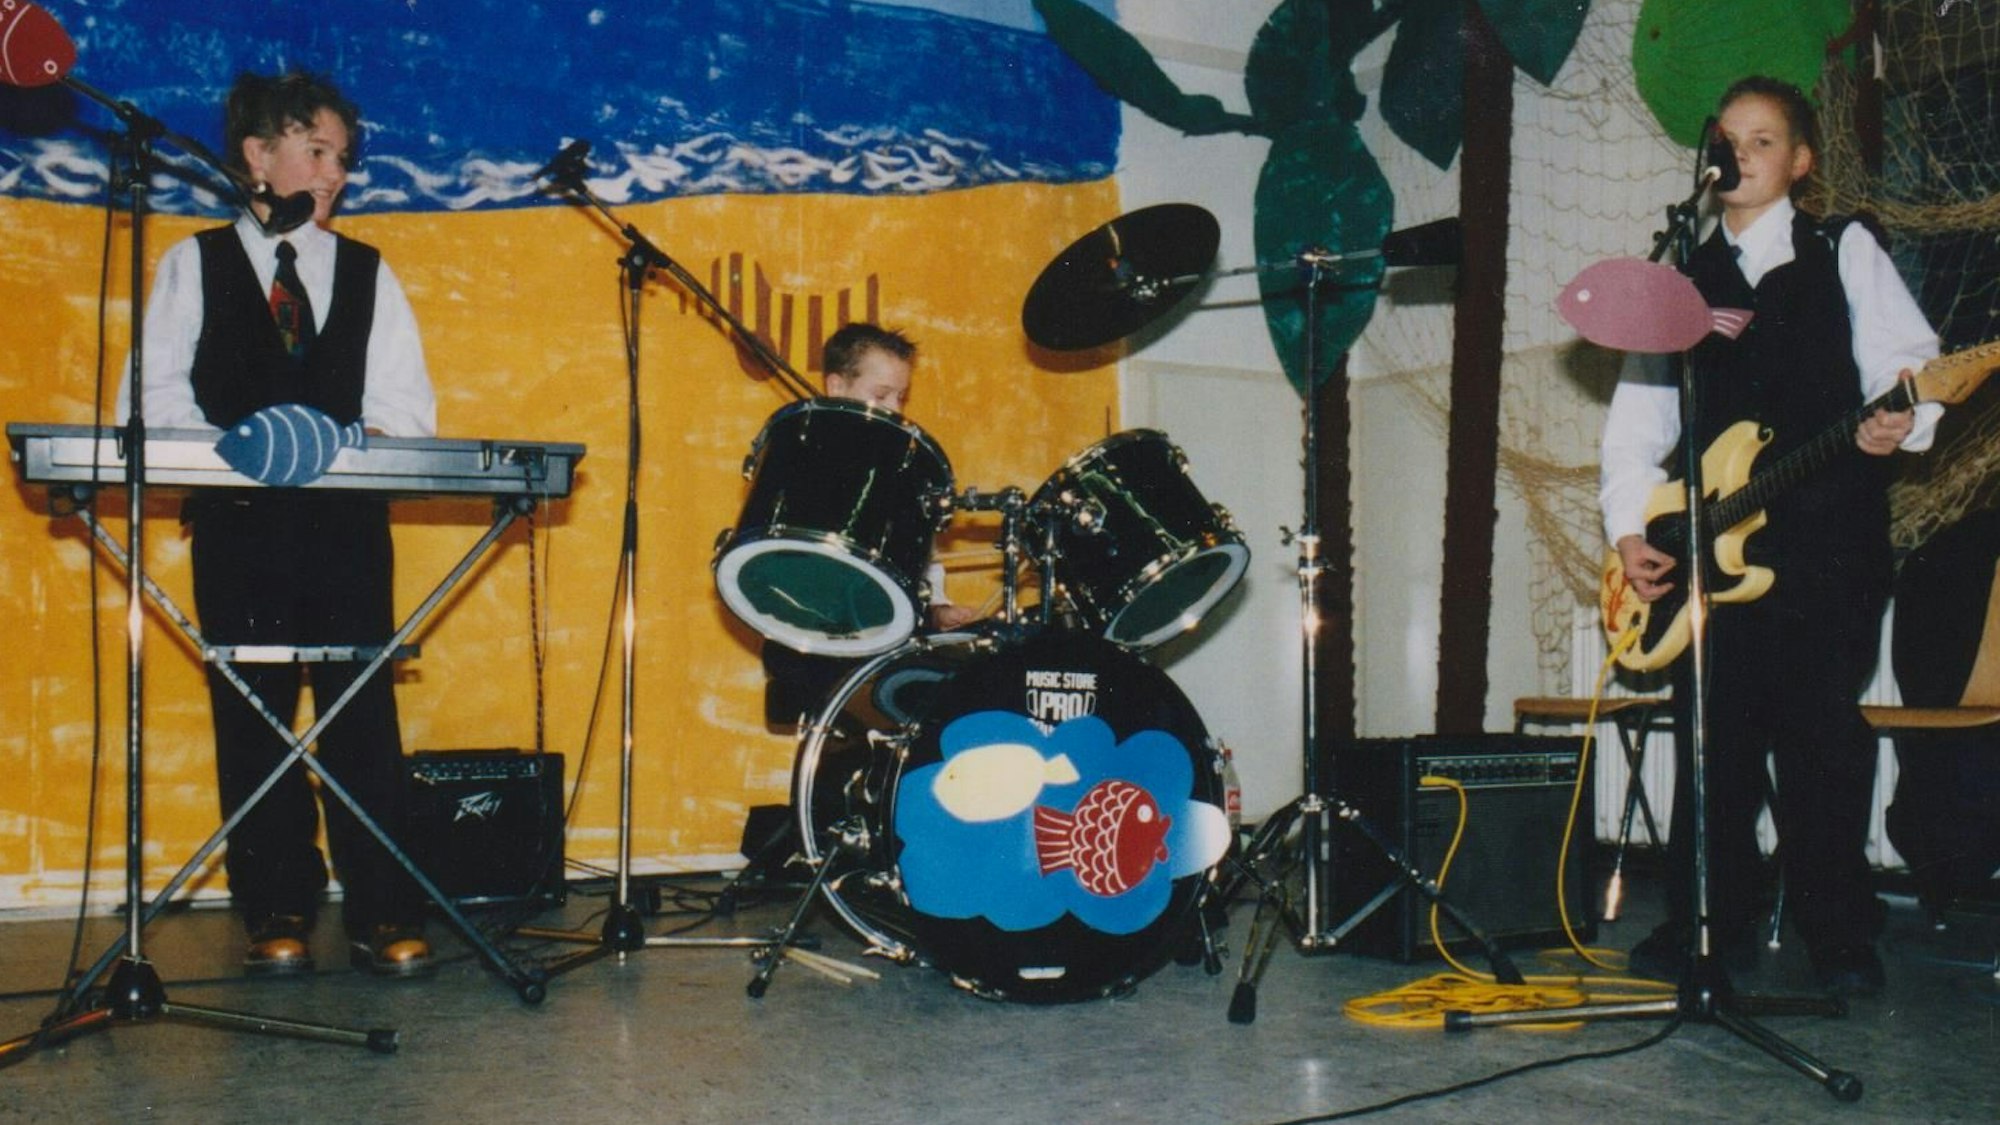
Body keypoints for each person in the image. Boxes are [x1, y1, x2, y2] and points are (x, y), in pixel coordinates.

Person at [1598, 76, 1941, 996]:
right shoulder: (1679, 281)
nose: (1740, 154)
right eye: (1729, 140)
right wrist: (1633, 529)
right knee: (1714, 734)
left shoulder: (1843, 248)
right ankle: (1708, 921)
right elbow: (1637, 424)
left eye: (1763, 140)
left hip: (1829, 540)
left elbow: (1909, 368)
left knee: (1822, 733)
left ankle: (1839, 931)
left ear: (1800, 162)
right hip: (1710, 551)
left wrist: (1896, 422)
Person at [116, 71, 438, 977]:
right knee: (252, 715)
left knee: (361, 713)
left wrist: (337, 442)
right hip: (238, 525)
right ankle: (276, 901)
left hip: (344, 531)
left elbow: (408, 414)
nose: (334, 173)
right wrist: (241, 448)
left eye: (342, 158)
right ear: (258, 155)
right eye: (317, 152)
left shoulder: (370, 273)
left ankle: (385, 905)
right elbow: (152, 399)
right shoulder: (192, 262)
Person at [760, 322, 977, 729]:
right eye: (881, 396)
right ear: (837, 387)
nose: (894, 408)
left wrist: (939, 609)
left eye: (900, 396)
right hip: (812, 641)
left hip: (885, 636)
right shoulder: (805, 456)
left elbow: (914, 557)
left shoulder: (900, 464)